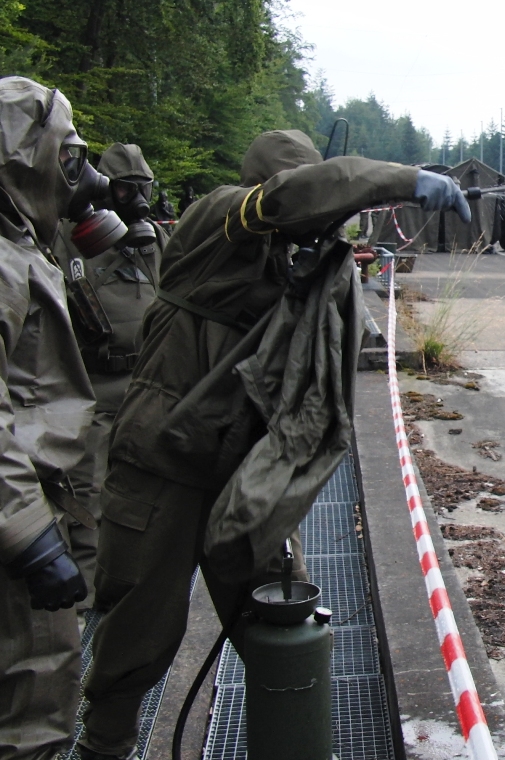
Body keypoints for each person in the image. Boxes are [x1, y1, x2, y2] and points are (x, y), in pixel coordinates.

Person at [76, 129, 471, 759]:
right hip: (161, 465)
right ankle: (105, 746)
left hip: (243, 473)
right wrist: (403, 181)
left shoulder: (302, 260)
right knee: (138, 629)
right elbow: (291, 198)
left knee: (285, 620)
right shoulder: (217, 219)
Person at [0, 77, 105, 760]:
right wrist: (31, 538)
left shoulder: (20, 246)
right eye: (67, 156)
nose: (80, 176)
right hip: (16, 529)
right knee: (32, 708)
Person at [51, 142, 168, 612]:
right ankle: (88, 596)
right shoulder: (67, 238)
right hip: (93, 385)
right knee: (88, 492)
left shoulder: (155, 242)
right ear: (103, 187)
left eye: (143, 189)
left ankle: (139, 580)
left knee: (147, 487)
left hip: (147, 383)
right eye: (124, 190)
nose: (135, 200)